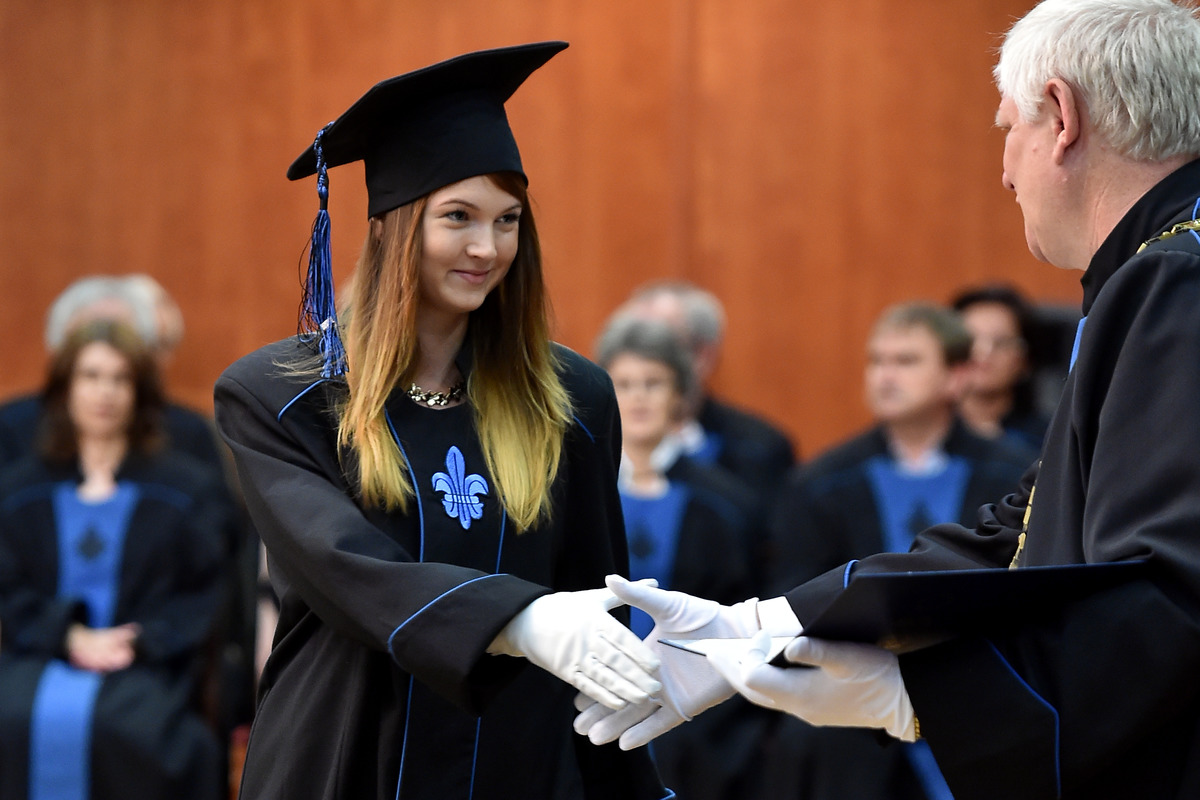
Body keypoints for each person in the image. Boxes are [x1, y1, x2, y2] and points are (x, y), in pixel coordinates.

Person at [575, 1, 1200, 798]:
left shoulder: (1173, 279)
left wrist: (915, 699)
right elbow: (1024, 528)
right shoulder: (1158, 269)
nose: (1005, 170)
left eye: (1008, 128)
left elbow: (1169, 596)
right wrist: (766, 621)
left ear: (1062, 116)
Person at [212, 43, 670, 800]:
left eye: (508, 221)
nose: (487, 248)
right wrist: (519, 621)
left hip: (515, 761)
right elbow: (345, 566)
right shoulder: (281, 398)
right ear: (391, 227)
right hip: (345, 752)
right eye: (458, 217)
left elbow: (596, 611)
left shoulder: (571, 401)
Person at [762, 302, 1032, 800]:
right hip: (853, 713)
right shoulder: (820, 482)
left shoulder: (1015, 478)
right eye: (876, 361)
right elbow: (793, 595)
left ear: (957, 376)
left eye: (906, 361)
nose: (885, 376)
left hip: (980, 696)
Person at [0, 320, 232, 800]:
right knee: (12, 720)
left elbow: (203, 591)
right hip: (40, 654)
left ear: (139, 393)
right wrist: (68, 636)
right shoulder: (20, 491)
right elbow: (9, 588)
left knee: (139, 734)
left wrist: (139, 642)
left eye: (120, 378)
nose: (105, 392)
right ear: (64, 389)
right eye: (90, 376)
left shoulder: (187, 491)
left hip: (146, 663)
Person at [595, 314, 764, 800]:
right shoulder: (573, 492)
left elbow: (745, 614)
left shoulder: (728, 504)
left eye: (653, 383)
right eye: (624, 384)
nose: (638, 397)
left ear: (681, 395)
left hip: (703, 721)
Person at [951, 284, 1053, 451]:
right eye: (969, 340)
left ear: (1025, 359)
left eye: (1001, 342)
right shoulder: (927, 430)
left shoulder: (1050, 439)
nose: (982, 353)